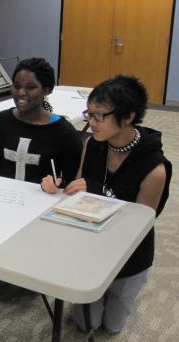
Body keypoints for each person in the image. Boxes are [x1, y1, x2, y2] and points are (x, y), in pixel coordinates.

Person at [41, 75, 172, 333]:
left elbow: (139, 224)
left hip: (129, 254)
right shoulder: (94, 144)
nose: (91, 123)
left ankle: (129, 288)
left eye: (99, 116)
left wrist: (100, 190)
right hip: (91, 242)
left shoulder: (155, 168)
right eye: (89, 114)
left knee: (112, 327)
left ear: (128, 117)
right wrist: (59, 185)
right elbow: (79, 187)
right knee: (86, 323)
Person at [0, 57, 82, 186]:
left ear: (46, 90)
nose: (21, 92)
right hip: (2, 198)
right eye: (17, 86)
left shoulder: (64, 133)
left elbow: (72, 183)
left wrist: (56, 185)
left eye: (30, 87)